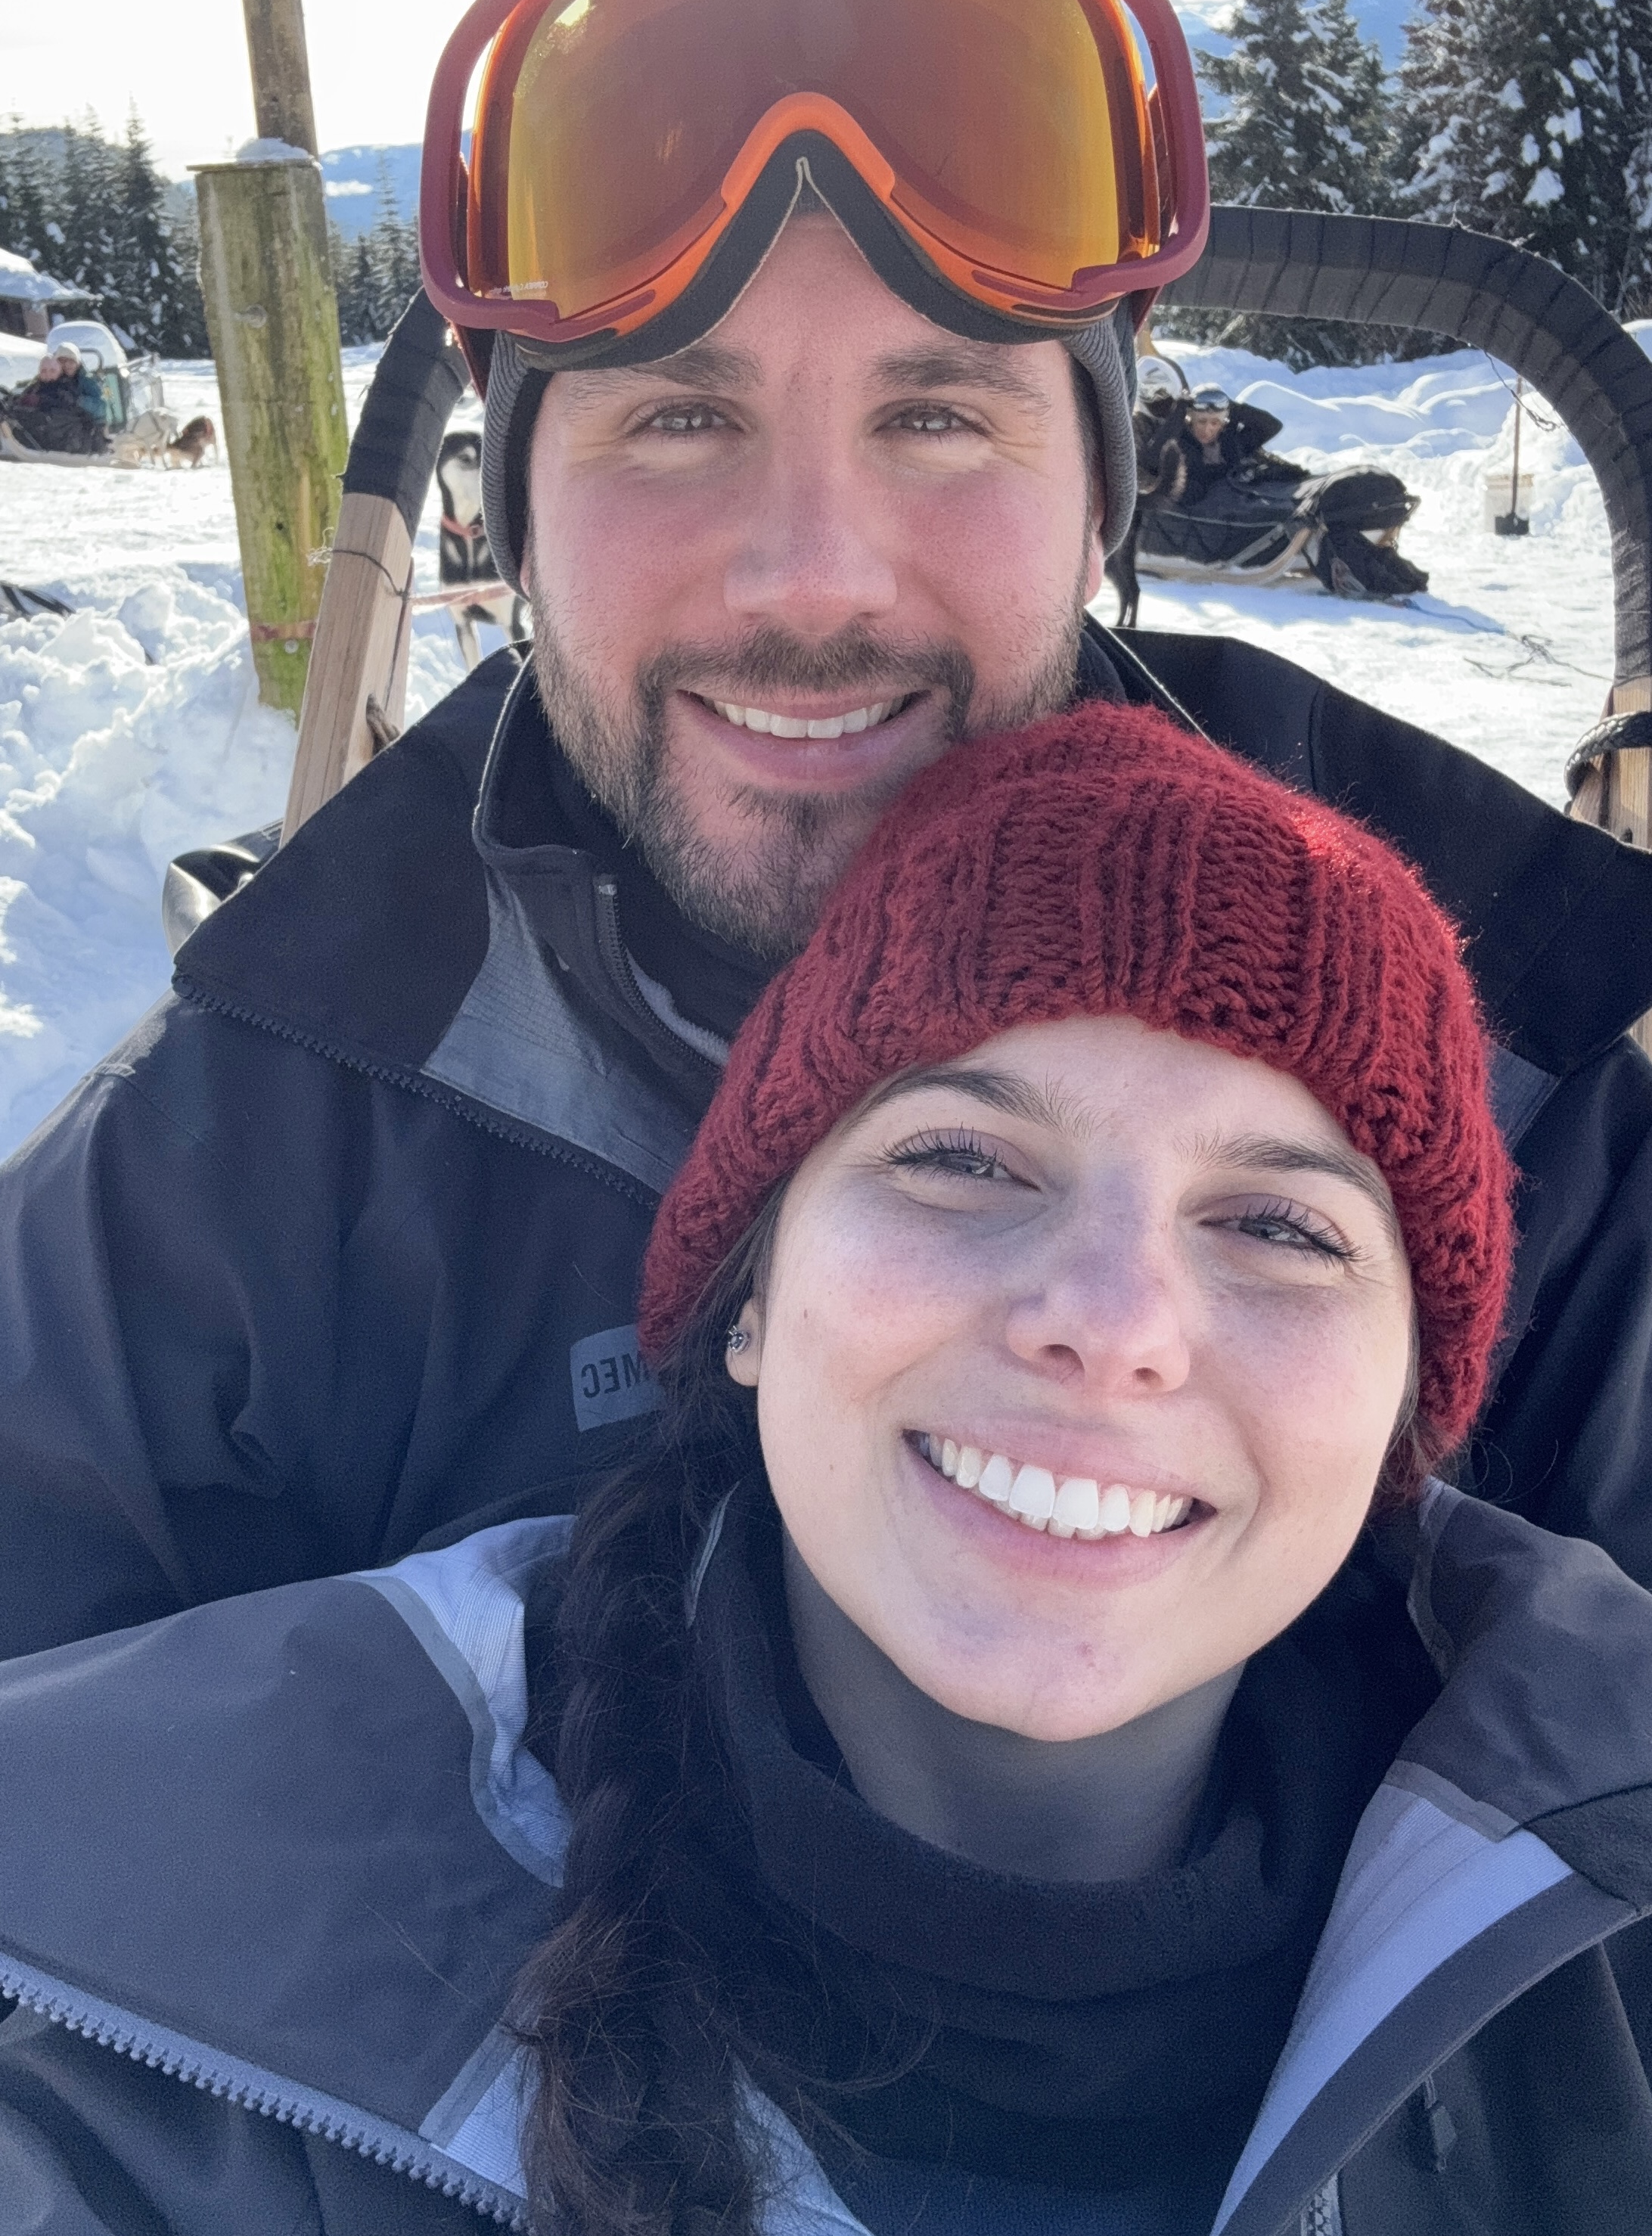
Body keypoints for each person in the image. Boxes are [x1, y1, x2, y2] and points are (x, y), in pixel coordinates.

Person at [4, 0, 1652, 1669]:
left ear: (1099, 488)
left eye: (938, 414)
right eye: (676, 418)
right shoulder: (233, 1178)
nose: (808, 575)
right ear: (518, 511)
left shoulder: (1511, 1089)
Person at [2, 700, 1649, 2236]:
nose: (1110, 1322)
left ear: (1404, 1410)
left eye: (1280, 1226)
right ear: (753, 1297)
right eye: (962, 1157)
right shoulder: (162, 2029)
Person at [1135, 384, 1429, 599]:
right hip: (1205, 497)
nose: (1208, 429)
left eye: (1215, 423)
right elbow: (1150, 459)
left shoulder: (1231, 440)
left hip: (1242, 487)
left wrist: (1232, 408)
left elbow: (1270, 425)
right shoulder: (1180, 440)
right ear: (1190, 419)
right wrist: (1178, 414)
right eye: (1202, 422)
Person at [0, 340, 110, 457]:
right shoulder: (51, 379)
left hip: (90, 430)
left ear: (77, 363)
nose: (67, 365)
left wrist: (78, 400)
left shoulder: (86, 381)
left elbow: (101, 407)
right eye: (62, 361)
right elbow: (31, 390)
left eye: (71, 361)